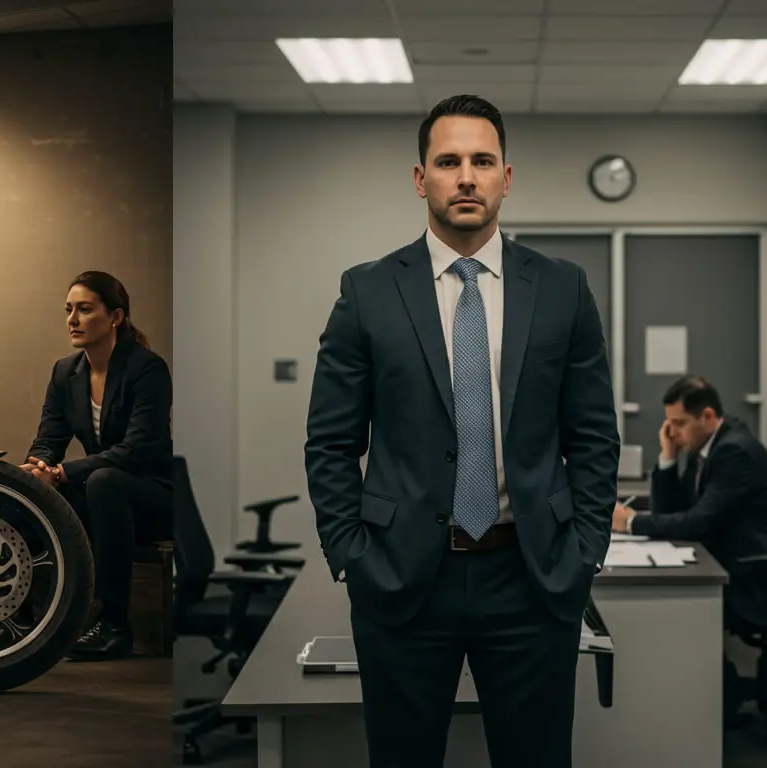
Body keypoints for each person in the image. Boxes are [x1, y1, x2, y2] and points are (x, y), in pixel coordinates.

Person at [304, 94, 620, 767]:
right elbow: (331, 442)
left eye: (483, 160)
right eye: (449, 161)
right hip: (403, 579)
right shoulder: (367, 292)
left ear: (508, 175)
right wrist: (351, 553)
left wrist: (584, 548)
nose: (467, 177)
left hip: (533, 575)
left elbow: (593, 435)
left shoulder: (564, 288)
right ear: (421, 178)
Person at [0, 271, 173, 660]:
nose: (72, 319)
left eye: (85, 309)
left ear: (115, 317)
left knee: (105, 482)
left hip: (153, 496)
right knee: (19, 493)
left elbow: (136, 451)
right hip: (102, 491)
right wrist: (39, 468)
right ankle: (16, 624)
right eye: (68, 310)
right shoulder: (66, 373)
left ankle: (114, 629)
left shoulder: (147, 369)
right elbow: (49, 438)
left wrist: (62, 474)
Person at [612, 376, 767, 720]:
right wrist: (667, 456)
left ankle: (705, 700)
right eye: (669, 424)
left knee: (673, 604)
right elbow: (675, 513)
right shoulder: (709, 448)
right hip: (740, 561)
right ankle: (705, 693)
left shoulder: (735, 452)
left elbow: (695, 523)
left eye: (679, 424)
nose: (672, 431)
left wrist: (629, 522)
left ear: (706, 415)